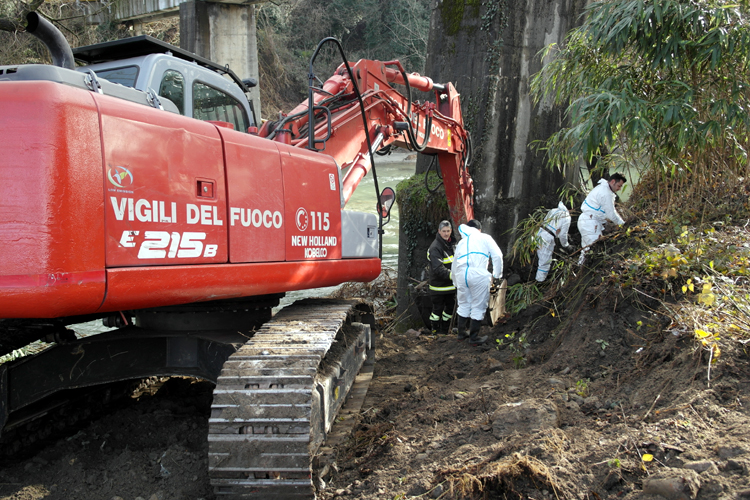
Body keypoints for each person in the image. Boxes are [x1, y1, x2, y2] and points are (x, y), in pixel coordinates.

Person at [451, 219, 504, 346]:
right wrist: (497, 275)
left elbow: (454, 264)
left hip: (462, 274)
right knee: (478, 305)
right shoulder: (485, 237)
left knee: (463, 304)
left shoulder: (462, 242)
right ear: (479, 229)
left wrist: (455, 282)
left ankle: (461, 334)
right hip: (479, 274)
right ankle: (474, 338)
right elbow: (497, 256)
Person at [577, 173, 626, 265]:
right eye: (619, 186)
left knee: (586, 250)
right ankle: (586, 273)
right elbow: (611, 214)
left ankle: (578, 271)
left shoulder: (602, 188)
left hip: (587, 221)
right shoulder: (606, 193)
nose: (619, 189)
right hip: (590, 223)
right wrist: (623, 224)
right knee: (593, 251)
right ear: (613, 181)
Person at [427, 220, 457, 334]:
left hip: (450, 286)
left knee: (450, 309)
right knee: (437, 311)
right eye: (444, 231)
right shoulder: (435, 247)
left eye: (448, 231)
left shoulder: (452, 244)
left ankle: (444, 332)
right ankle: (434, 332)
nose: (446, 234)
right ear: (439, 231)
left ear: (451, 231)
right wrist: (454, 276)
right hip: (438, 287)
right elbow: (438, 268)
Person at [536, 201, 572, 282]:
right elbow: (563, 235)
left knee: (541, 258)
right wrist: (566, 245)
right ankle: (539, 282)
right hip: (547, 238)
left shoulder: (553, 210)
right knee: (544, 263)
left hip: (540, 233)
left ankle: (539, 279)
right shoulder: (567, 217)